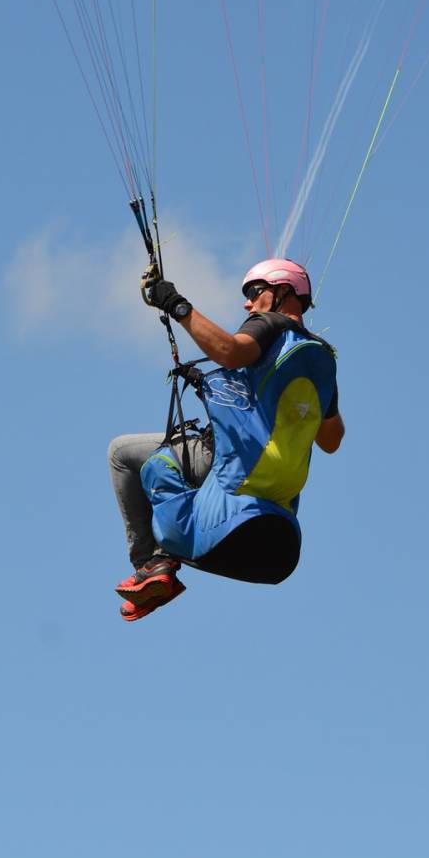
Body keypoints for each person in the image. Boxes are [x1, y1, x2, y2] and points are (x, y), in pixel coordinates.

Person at [107, 258, 345, 621]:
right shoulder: (322, 358)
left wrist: (174, 303)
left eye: (254, 292)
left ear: (284, 293)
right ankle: (162, 563)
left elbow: (229, 352)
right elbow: (331, 438)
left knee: (125, 453)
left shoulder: (269, 324)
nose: (248, 303)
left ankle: (151, 564)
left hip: (232, 464)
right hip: (279, 516)